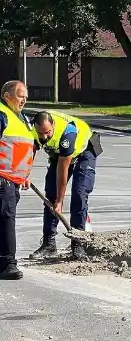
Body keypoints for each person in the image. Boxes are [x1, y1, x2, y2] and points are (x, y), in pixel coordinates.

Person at [29, 109, 101, 261]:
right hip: (59, 154)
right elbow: (29, 153)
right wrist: (24, 174)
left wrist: (60, 201)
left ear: (53, 125)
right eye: (40, 133)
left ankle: (78, 243)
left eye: (47, 132)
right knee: (50, 195)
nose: (44, 137)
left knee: (79, 194)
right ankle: (49, 244)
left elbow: (63, 169)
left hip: (84, 152)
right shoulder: (33, 130)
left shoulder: (67, 133)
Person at [0, 80, 36, 280]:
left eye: (26, 96)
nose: (25, 100)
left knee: (5, 219)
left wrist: (24, 175)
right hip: (3, 179)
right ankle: (7, 264)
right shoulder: (2, 115)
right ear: (7, 96)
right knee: (6, 219)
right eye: (21, 95)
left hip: (14, 180)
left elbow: (25, 148)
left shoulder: (21, 117)